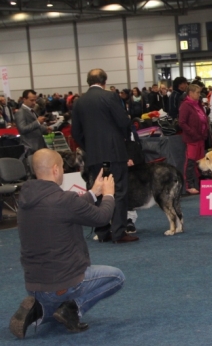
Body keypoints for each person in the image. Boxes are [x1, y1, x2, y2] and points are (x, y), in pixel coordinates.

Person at [9, 149, 124, 339]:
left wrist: (93, 194)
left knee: (51, 299)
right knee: (117, 277)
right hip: (63, 282)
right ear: (55, 169)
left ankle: (39, 311)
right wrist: (109, 195)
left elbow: (69, 209)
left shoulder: (25, 200)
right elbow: (102, 217)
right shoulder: (63, 200)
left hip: (33, 284)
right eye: (62, 167)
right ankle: (72, 309)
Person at [72, 68, 138, 244]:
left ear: (88, 81)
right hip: (114, 153)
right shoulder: (110, 96)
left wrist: (89, 147)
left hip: (95, 156)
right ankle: (119, 232)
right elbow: (123, 121)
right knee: (118, 191)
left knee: (99, 190)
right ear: (104, 81)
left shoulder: (79, 102)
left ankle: (102, 232)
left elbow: (75, 132)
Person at [179, 84, 209, 195]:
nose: (199, 94)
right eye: (197, 92)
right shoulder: (185, 106)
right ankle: (189, 185)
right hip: (192, 139)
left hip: (200, 139)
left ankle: (201, 184)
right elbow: (182, 122)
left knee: (200, 163)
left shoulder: (198, 105)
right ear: (190, 93)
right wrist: (193, 133)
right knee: (190, 162)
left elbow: (204, 119)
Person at [15, 90, 52, 155]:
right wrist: (37, 122)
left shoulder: (32, 110)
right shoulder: (21, 112)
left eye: (35, 100)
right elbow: (22, 129)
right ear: (24, 99)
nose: (34, 103)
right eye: (32, 100)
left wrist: (45, 129)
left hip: (38, 145)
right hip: (30, 147)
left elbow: (35, 127)